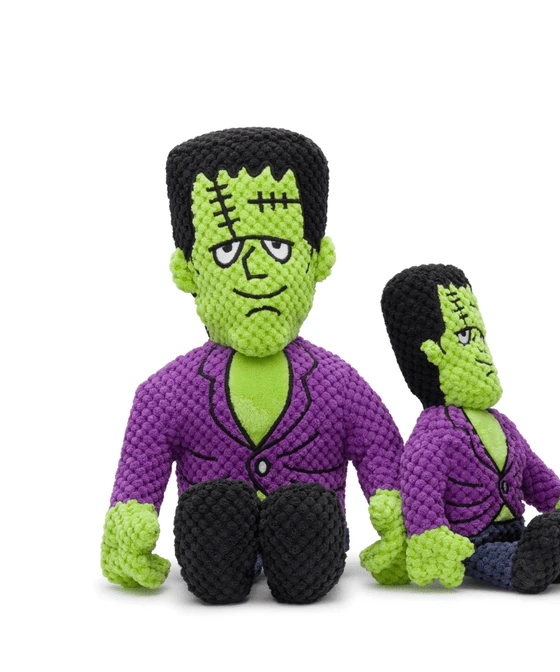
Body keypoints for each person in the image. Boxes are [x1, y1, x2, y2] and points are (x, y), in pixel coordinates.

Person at [101, 128, 408, 605]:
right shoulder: (166, 393)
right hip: (212, 546)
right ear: (188, 269)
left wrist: (395, 511)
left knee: (307, 513)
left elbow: (380, 449)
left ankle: (300, 547)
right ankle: (222, 555)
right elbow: (141, 467)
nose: (256, 269)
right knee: (214, 511)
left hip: (312, 542)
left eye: (278, 248)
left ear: (317, 259)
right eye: (227, 251)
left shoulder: (340, 385)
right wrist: (130, 519)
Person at [381, 264, 560, 593]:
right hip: (473, 540)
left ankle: (557, 554)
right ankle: (527, 566)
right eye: (464, 337)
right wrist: (430, 535)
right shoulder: (433, 434)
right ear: (431, 352)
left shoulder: (500, 423)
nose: (481, 351)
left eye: (480, 336)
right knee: (506, 558)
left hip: (515, 528)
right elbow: (420, 490)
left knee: (559, 527)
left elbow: (532, 472)